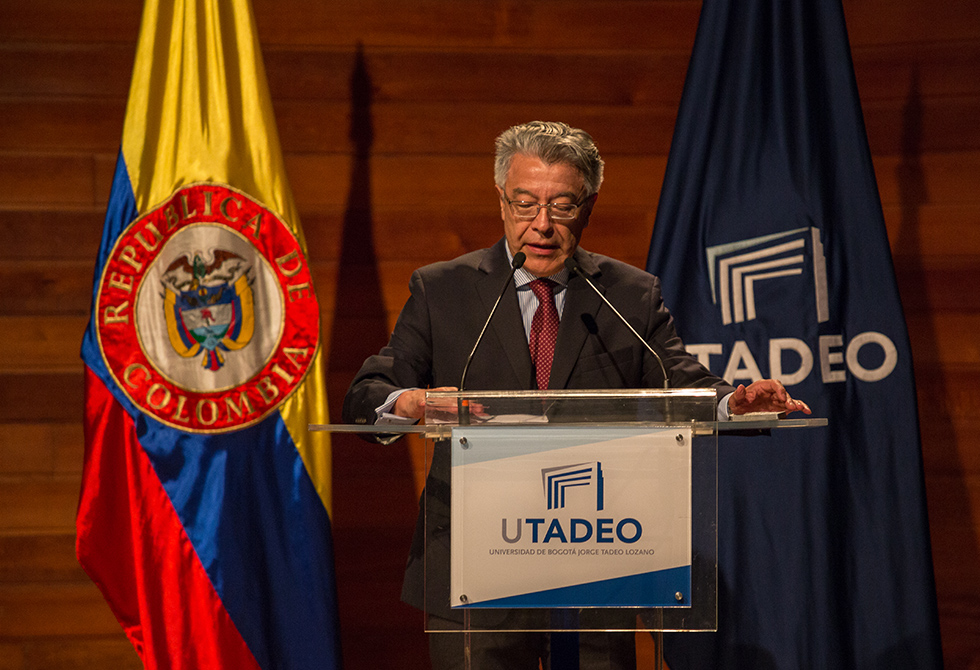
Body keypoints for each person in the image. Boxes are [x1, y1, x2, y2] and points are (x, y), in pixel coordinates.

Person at [342, 121, 810, 670]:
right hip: (474, 566)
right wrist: (410, 404)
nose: (541, 224)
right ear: (501, 200)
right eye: (525, 204)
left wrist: (734, 403)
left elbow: (682, 382)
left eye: (562, 206)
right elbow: (368, 393)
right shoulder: (443, 289)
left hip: (596, 563)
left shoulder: (628, 295)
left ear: (588, 207)